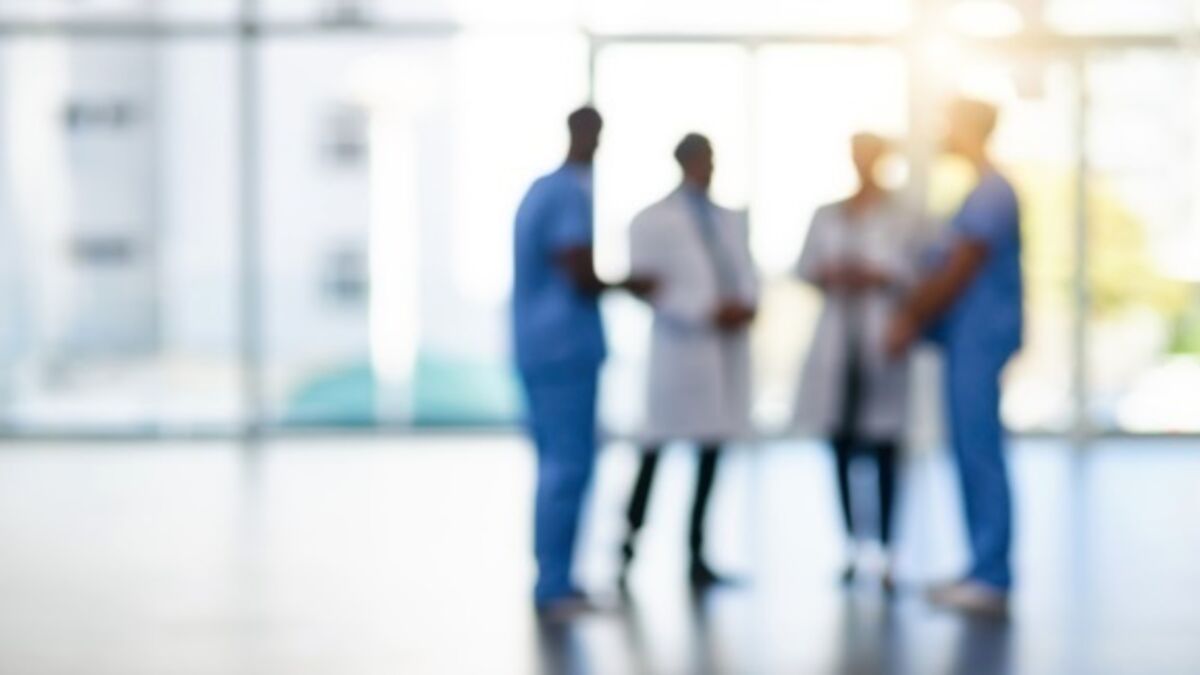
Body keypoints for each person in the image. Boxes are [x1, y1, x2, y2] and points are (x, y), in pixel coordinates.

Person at [513, 106, 653, 620]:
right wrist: (634, 283)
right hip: (564, 351)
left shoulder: (540, 190)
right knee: (568, 466)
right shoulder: (569, 193)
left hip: (540, 348)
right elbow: (578, 270)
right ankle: (554, 586)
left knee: (556, 463)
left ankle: (555, 579)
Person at [886, 98, 1023, 616]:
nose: (941, 132)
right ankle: (980, 567)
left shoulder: (992, 193)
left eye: (947, 123)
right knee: (969, 450)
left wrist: (909, 317)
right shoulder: (977, 192)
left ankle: (991, 574)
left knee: (980, 451)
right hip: (967, 340)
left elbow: (958, 270)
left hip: (979, 340)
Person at [619, 133, 759, 591]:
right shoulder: (651, 221)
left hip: (722, 352)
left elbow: (745, 274)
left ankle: (697, 554)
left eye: (712, 159)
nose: (708, 167)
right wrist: (705, 311)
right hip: (680, 350)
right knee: (655, 450)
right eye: (702, 159)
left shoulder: (728, 219)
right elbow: (647, 286)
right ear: (684, 162)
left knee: (711, 452)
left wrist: (745, 306)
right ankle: (627, 548)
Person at [793, 133, 922, 592]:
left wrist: (879, 275)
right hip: (837, 342)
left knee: (885, 450)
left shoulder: (905, 216)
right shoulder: (828, 214)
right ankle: (852, 546)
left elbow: (918, 272)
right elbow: (804, 267)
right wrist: (832, 273)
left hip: (881, 339)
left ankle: (886, 551)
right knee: (841, 448)